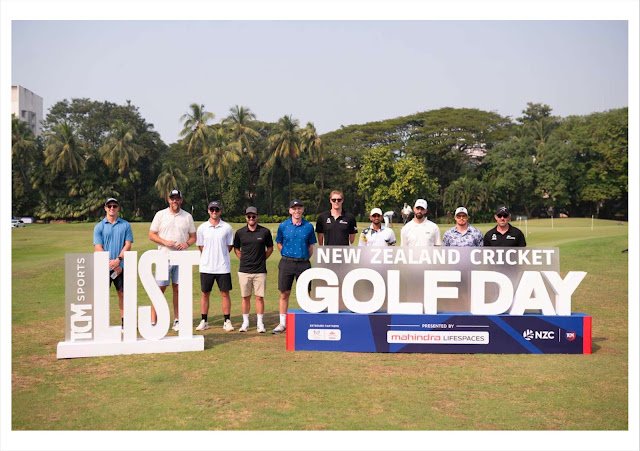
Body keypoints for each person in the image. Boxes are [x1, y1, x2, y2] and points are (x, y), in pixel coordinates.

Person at [148, 189, 196, 330]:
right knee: (159, 288)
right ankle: (153, 320)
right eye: (172, 198)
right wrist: (165, 242)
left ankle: (177, 319)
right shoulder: (160, 215)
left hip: (181, 258)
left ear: (181, 200)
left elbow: (193, 237)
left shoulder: (187, 216)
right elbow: (151, 234)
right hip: (164, 256)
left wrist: (186, 244)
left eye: (177, 198)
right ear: (168, 200)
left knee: (178, 289)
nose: (175, 201)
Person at [273, 199, 317, 334]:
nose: (297, 211)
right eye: (294, 208)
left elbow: (311, 246)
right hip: (286, 263)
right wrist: (287, 254)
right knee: (284, 293)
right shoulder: (283, 226)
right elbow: (279, 243)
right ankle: (282, 323)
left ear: (302, 210)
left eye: (299, 208)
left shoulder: (308, 226)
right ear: (290, 210)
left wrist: (303, 257)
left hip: (303, 263)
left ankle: (306, 322)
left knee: (305, 293)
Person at [93, 197, 133, 330]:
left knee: (123, 294)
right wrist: (110, 263)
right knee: (102, 295)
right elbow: (98, 247)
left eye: (114, 206)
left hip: (120, 267)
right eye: (109, 206)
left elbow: (128, 245)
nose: (112, 208)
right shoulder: (99, 226)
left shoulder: (125, 225)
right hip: (103, 267)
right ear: (105, 208)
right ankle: (101, 324)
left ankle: (125, 323)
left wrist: (118, 261)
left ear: (118, 208)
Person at [233, 206, 274, 333]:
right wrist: (244, 259)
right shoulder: (240, 233)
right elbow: (236, 249)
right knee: (245, 297)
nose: (251, 218)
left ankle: (260, 323)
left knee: (259, 297)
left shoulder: (265, 232)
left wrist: (262, 259)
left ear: (257, 217)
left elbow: (270, 248)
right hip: (244, 270)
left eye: (253, 216)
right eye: (249, 216)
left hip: (260, 271)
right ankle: (245, 323)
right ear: (246, 217)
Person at [196, 201, 235, 332]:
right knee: (205, 294)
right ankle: (204, 321)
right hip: (206, 267)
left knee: (225, 294)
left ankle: (227, 321)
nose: (214, 212)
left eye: (216, 209)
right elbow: (201, 246)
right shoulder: (202, 228)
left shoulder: (227, 228)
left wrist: (220, 255)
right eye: (212, 209)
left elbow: (229, 246)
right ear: (208, 211)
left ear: (220, 211)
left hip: (223, 267)